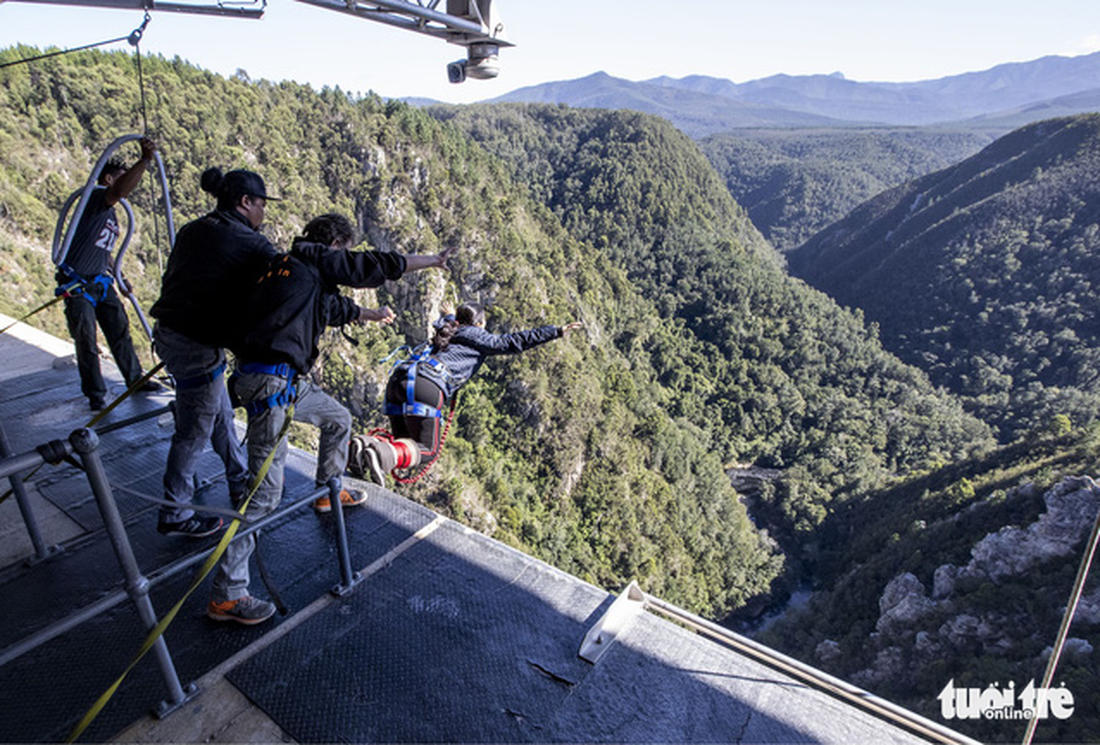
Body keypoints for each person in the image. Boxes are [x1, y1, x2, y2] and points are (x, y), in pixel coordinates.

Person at [209, 213, 455, 625]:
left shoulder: (295, 271)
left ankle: (327, 490)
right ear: (336, 244)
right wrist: (431, 260)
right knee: (265, 494)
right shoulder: (314, 258)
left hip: (277, 381)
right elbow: (368, 267)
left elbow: (332, 307)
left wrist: (371, 316)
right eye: (344, 249)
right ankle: (227, 595)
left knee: (338, 418)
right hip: (272, 387)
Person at [149, 167, 282, 538]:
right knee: (193, 430)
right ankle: (174, 511)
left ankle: (239, 479)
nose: (263, 213)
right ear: (245, 202)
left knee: (218, 409)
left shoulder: (194, 229)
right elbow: (291, 275)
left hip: (173, 335)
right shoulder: (249, 242)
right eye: (260, 205)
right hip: (195, 344)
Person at [351, 303, 583, 484]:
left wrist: (452, 314)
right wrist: (556, 331)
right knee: (427, 450)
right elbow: (514, 341)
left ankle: (365, 445)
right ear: (479, 324)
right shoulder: (478, 336)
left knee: (405, 445)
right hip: (427, 385)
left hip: (400, 377)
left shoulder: (447, 328)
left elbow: (450, 320)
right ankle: (381, 453)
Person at [55, 137, 163, 410]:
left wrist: (120, 275)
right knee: (87, 340)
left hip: (101, 280)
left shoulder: (110, 214)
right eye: (120, 177)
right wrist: (145, 160)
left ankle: (135, 379)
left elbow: (104, 248)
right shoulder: (95, 198)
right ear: (108, 178)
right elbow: (120, 192)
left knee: (120, 331)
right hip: (78, 283)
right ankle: (95, 394)